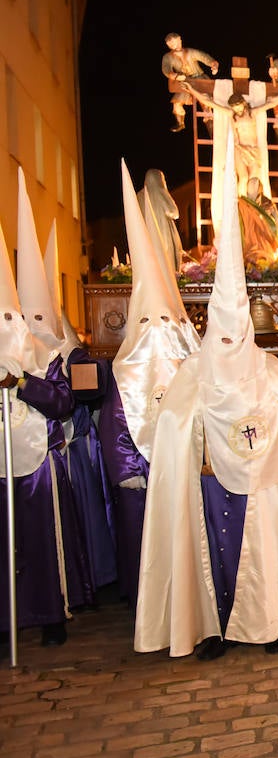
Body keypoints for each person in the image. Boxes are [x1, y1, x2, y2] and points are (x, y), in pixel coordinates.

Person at [134, 138, 278, 659]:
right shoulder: (191, 373)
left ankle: (271, 618)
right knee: (214, 552)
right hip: (209, 487)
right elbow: (172, 427)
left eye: (238, 335)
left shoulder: (271, 369)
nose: (230, 346)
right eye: (221, 336)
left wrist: (261, 428)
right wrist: (202, 426)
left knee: (265, 545)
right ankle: (211, 627)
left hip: (262, 481)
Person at [99, 162, 200, 607]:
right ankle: (148, 607)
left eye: (165, 320)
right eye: (149, 321)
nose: (158, 328)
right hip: (141, 479)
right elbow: (113, 424)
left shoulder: (187, 363)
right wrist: (128, 472)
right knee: (144, 549)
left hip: (183, 474)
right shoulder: (124, 371)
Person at [0, 168, 93, 647]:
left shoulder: (43, 357)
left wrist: (21, 384)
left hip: (38, 465)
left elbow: (61, 402)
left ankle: (51, 612)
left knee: (40, 542)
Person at [160, 32, 218, 132]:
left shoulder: (190, 52)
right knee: (177, 103)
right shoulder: (168, 57)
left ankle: (209, 118)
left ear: (180, 40)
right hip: (185, 81)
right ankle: (180, 122)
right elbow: (166, 69)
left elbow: (204, 57)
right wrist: (175, 76)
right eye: (170, 44)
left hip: (199, 78)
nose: (174, 45)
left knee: (205, 100)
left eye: (175, 42)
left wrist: (213, 64)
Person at [139, 168, 184, 282]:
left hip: (147, 239)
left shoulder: (140, 195)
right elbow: (174, 212)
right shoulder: (160, 192)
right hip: (164, 237)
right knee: (167, 271)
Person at [238, 177, 278, 260]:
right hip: (250, 249)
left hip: (266, 246)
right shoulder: (244, 206)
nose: (252, 198)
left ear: (260, 192)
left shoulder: (268, 205)